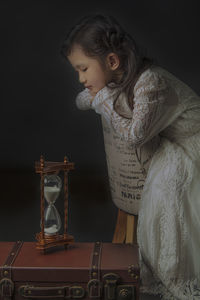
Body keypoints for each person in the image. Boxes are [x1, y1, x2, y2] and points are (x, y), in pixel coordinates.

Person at [61, 14, 200, 299]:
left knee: (170, 181)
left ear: (112, 62)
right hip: (173, 139)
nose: (81, 78)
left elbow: (135, 136)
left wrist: (105, 102)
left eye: (84, 69)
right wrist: (102, 96)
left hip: (193, 141)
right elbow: (81, 100)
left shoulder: (150, 82)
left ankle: (176, 273)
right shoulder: (121, 81)